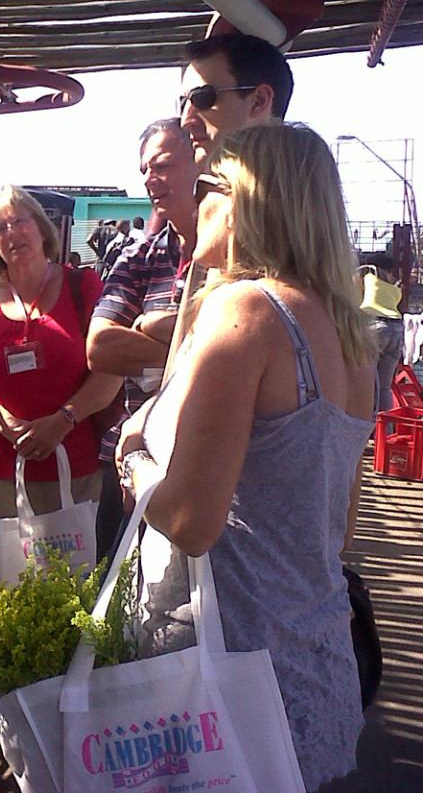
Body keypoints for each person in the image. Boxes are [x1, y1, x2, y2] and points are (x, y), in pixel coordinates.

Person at [118, 123, 376, 792]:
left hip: (217, 673)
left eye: (206, 184)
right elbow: (335, 529)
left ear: (241, 200)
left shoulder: (244, 313)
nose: (191, 200)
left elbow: (190, 523)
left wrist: (133, 459)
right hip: (313, 663)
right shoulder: (350, 339)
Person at [0, 185, 122, 614]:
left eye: (19, 220)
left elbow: (111, 371)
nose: (11, 233)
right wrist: (6, 423)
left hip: (71, 470)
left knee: (69, 594)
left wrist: (62, 420)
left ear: (42, 229)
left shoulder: (84, 285)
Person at [86, 118, 196, 558]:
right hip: (134, 466)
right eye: (145, 170)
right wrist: (203, 346)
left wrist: (150, 325)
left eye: (163, 164)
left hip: (210, 475)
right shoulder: (139, 257)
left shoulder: (242, 257)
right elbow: (101, 348)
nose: (151, 179)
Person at [179, 32, 294, 168]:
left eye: (202, 97)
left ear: (259, 101)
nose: (185, 122)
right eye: (182, 103)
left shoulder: (305, 185)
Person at [358, 252, 403, 414]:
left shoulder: (369, 275)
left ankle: (365, 426)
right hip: (397, 329)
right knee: (384, 387)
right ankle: (385, 431)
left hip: (375, 326)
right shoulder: (397, 285)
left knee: (366, 382)